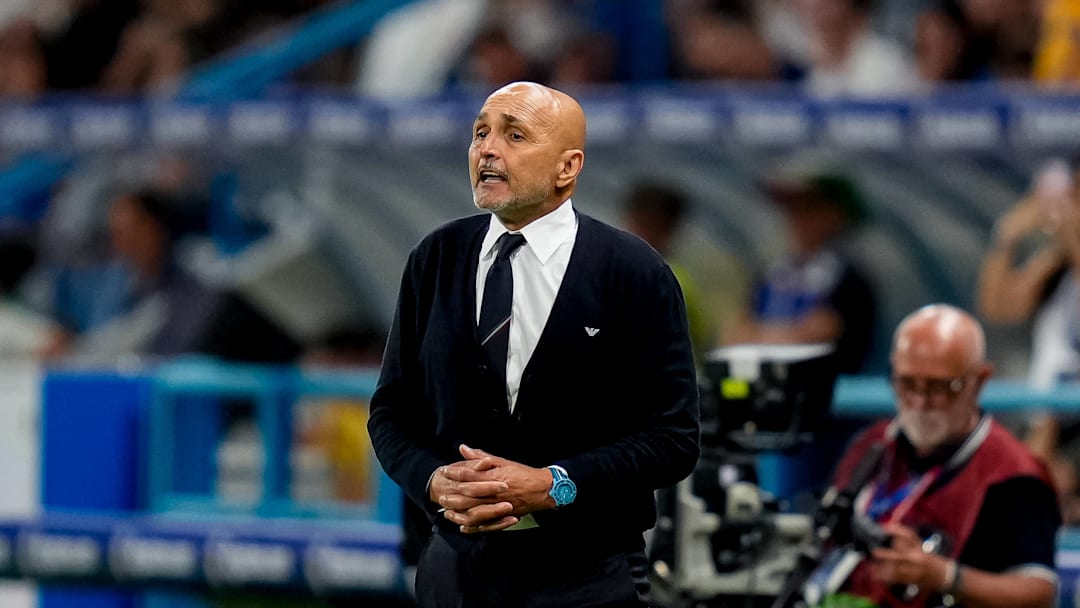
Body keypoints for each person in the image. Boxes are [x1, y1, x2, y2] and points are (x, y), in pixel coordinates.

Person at [366, 81, 700, 607]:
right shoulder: (435, 257)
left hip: (586, 576)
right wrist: (433, 481)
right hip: (453, 573)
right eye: (480, 133)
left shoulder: (632, 273)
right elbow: (390, 412)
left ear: (567, 168)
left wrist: (554, 485)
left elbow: (672, 438)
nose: (487, 149)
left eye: (514, 135)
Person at [814, 304, 1060, 608]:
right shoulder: (871, 445)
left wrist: (946, 576)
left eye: (939, 387)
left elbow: (1039, 592)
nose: (919, 401)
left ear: (979, 380)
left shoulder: (1014, 475)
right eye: (906, 383)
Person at [726, 158, 878, 375]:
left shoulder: (849, 277)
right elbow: (735, 334)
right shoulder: (773, 272)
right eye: (792, 207)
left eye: (810, 206)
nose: (798, 217)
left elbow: (819, 334)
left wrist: (759, 337)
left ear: (836, 212)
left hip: (829, 399)